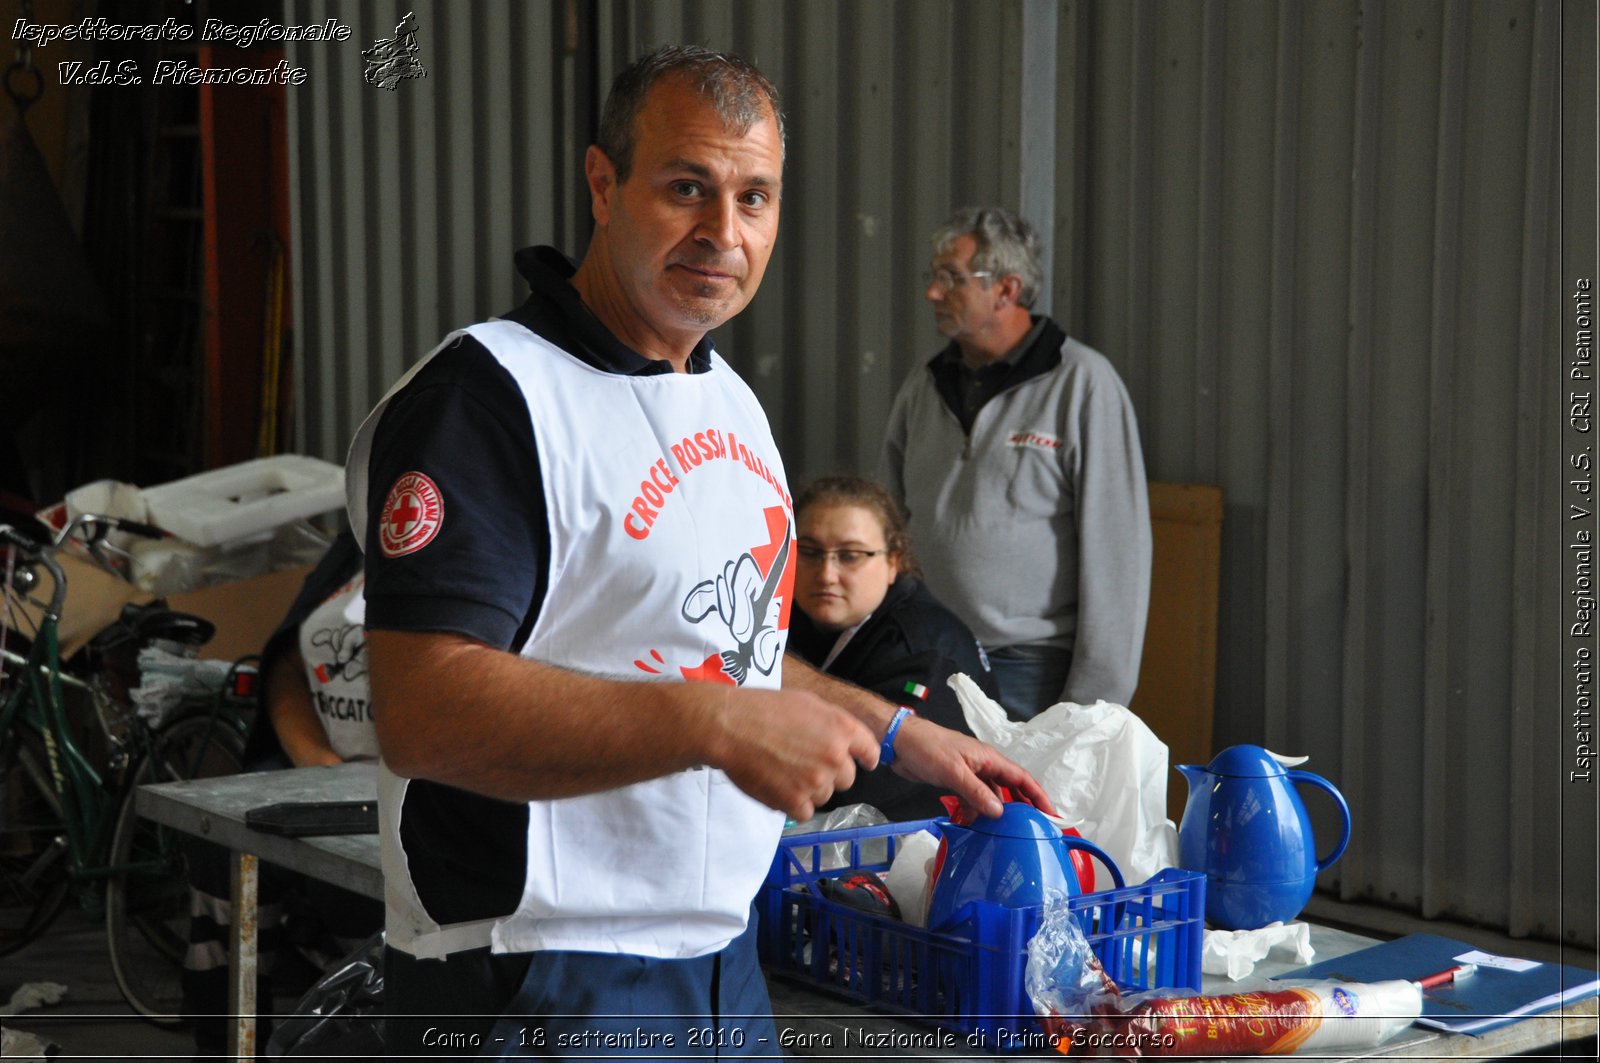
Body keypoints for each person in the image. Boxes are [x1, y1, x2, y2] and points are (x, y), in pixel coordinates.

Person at [343, 45, 1051, 1057]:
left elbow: (722, 648)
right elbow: (420, 707)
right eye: (687, 188)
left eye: (754, 197)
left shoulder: (728, 403)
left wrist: (895, 733)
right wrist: (712, 724)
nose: (724, 232)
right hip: (540, 967)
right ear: (602, 184)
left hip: (718, 959)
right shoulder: (491, 398)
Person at [882, 206, 1152, 720]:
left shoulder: (1082, 384)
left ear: (1006, 290)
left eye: (949, 278)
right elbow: (886, 523)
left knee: (1020, 805)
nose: (932, 293)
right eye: (933, 277)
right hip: (929, 654)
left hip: (1030, 668)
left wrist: (1091, 707)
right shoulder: (925, 384)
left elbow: (1118, 554)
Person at [183, 528, 382, 1056]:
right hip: (326, 771)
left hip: (410, 794)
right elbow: (289, 664)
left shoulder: (476, 546)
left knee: (356, 902)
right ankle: (229, 1047)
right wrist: (318, 763)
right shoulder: (358, 544)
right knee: (220, 853)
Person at [788, 475, 999, 821]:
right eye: (809, 552)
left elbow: (856, 797)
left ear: (893, 561)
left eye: (850, 556)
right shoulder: (791, 612)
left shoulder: (923, 648)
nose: (826, 574)